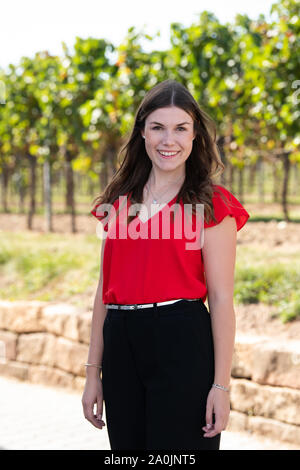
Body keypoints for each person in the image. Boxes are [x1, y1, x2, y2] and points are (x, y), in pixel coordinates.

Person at [82, 79, 250, 450]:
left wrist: (221, 387)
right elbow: (104, 291)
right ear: (142, 132)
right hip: (121, 343)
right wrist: (93, 373)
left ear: (195, 137)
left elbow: (222, 300)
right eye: (157, 127)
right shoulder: (119, 203)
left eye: (180, 128)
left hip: (182, 342)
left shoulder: (212, 205)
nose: (167, 140)